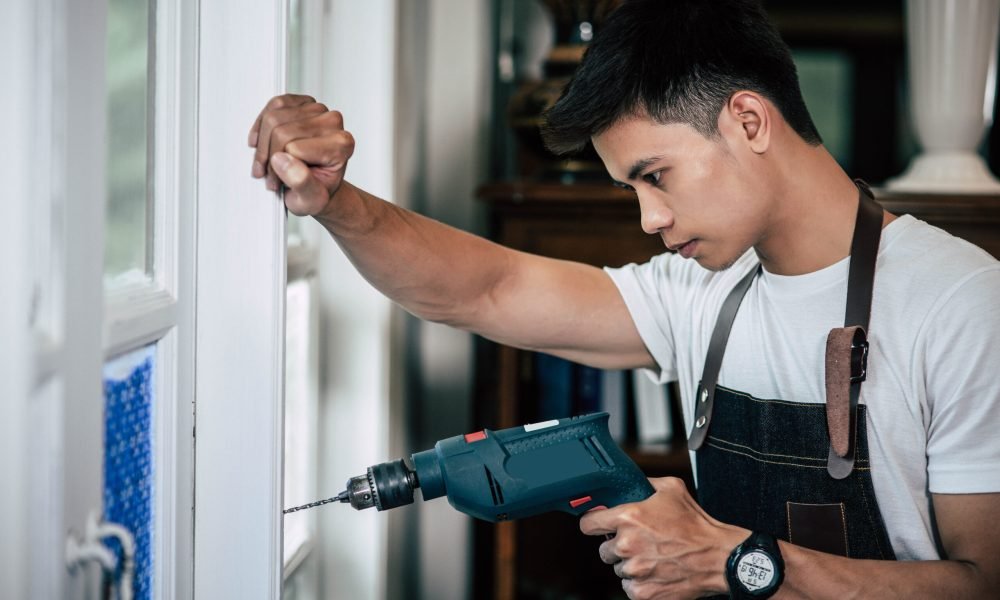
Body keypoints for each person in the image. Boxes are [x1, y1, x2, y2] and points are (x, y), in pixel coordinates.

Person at [249, 0, 1000, 597]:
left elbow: (984, 583)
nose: (648, 219)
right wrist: (334, 201)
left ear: (747, 120)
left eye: (657, 175)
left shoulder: (959, 302)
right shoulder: (703, 294)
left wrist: (741, 561)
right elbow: (485, 289)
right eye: (631, 189)